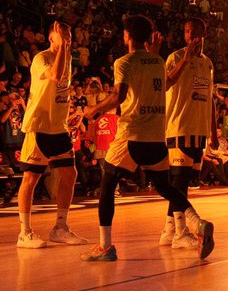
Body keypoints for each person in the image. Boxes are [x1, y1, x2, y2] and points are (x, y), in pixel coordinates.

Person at [81, 15, 214, 262]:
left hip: (131, 135)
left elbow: (119, 96)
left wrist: (95, 109)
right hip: (156, 137)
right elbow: (169, 82)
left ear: (128, 36)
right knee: (166, 187)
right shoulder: (158, 61)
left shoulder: (124, 62)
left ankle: (105, 247)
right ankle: (198, 224)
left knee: (107, 183)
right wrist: (181, 59)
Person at [15, 21, 87, 248]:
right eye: (63, 36)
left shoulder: (67, 61)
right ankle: (24, 232)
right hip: (39, 126)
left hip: (59, 127)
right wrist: (64, 47)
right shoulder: (42, 58)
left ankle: (60, 227)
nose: (68, 40)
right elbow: (55, 76)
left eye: (70, 36)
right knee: (31, 178)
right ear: (51, 38)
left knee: (70, 174)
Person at [160, 18, 217, 251]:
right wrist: (186, 59)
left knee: (182, 183)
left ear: (204, 34)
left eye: (195, 32)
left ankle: (168, 230)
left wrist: (213, 131)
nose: (190, 36)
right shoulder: (175, 57)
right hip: (179, 126)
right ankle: (181, 232)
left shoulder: (208, 64)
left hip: (199, 130)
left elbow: (210, 97)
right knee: (179, 181)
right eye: (186, 32)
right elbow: (166, 82)